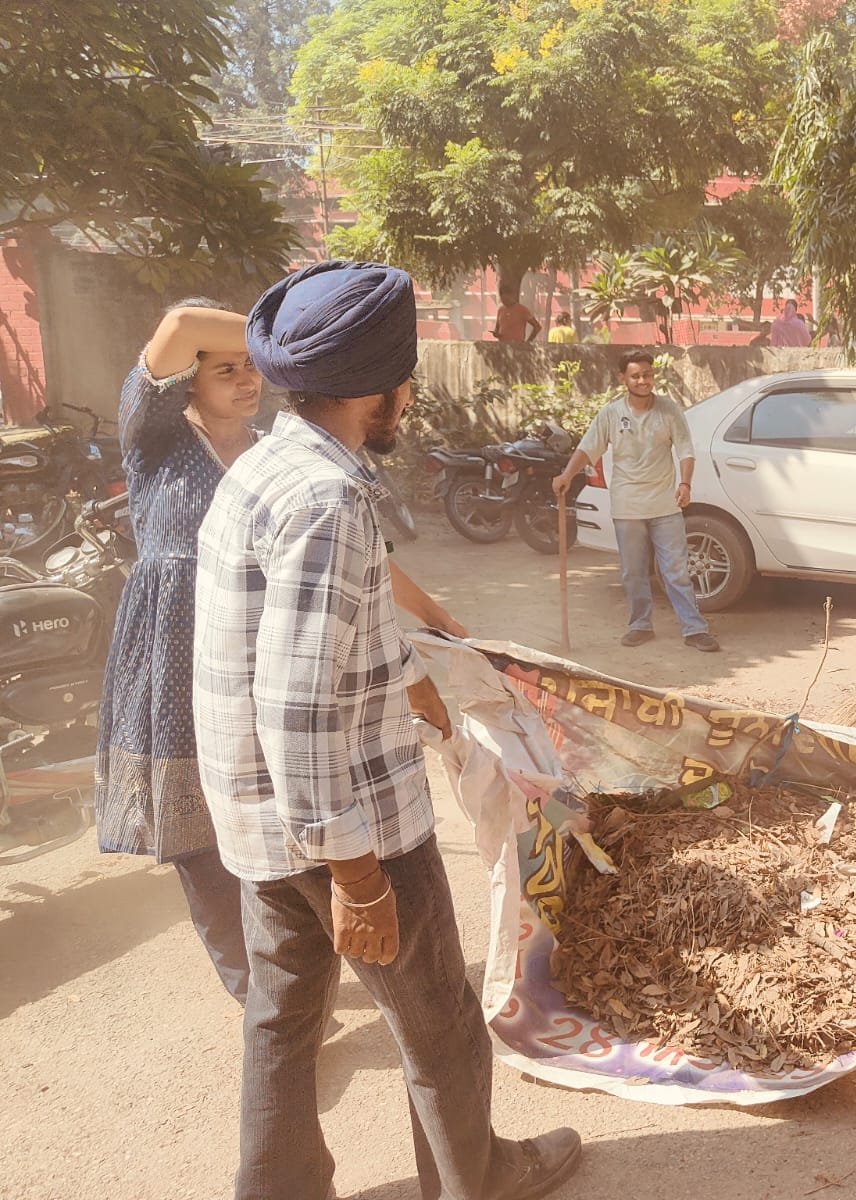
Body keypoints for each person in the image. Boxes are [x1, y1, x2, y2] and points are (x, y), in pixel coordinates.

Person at [193, 261, 580, 1200]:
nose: (409, 395)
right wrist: (359, 878)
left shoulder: (266, 468)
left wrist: (417, 682)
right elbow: (296, 705)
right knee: (438, 1018)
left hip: (259, 821)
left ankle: (278, 1189)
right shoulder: (328, 502)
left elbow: (319, 635)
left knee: (282, 1017)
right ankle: (476, 1178)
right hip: (350, 825)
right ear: (379, 387)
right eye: (405, 380)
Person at [95, 300, 465, 1008]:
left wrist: (435, 616)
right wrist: (309, 335)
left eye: (252, 367)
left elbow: (354, 559)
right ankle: (253, 989)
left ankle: (294, 980)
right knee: (200, 833)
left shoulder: (277, 451)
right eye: (226, 370)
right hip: (177, 653)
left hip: (270, 650)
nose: (246, 380)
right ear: (186, 383)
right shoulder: (156, 439)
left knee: (284, 806)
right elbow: (181, 326)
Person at [553, 351, 719, 652]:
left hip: (665, 504)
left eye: (648, 374)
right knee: (633, 572)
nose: (643, 381)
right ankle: (640, 625)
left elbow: (685, 450)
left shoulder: (669, 410)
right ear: (623, 379)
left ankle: (694, 629)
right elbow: (588, 449)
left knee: (677, 571)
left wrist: (685, 483)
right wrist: (566, 475)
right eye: (636, 376)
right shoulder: (611, 414)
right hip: (627, 506)